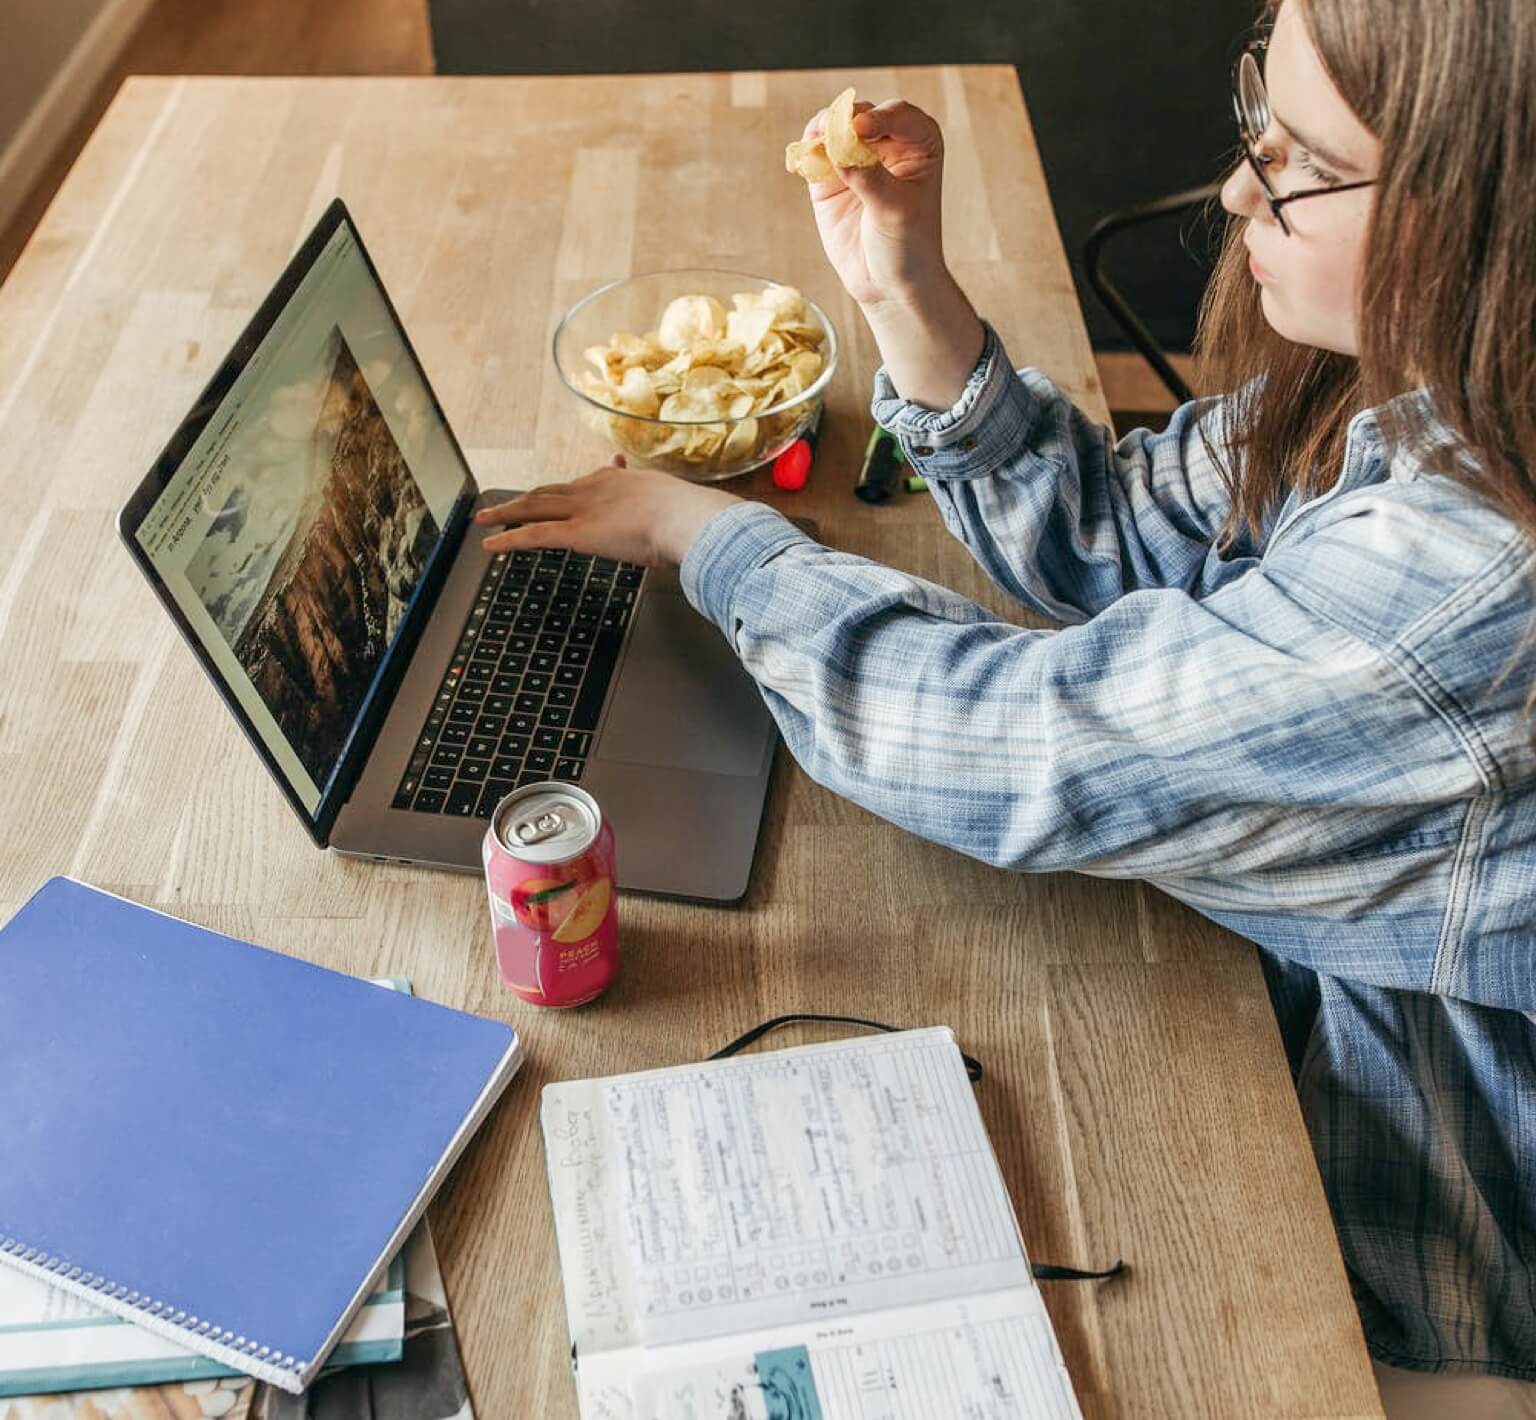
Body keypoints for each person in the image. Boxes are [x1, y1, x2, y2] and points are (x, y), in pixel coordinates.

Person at [477, 0, 1536, 1409]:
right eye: (1255, 118)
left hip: (1404, 1253)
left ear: (1479, 212)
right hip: (1267, 996)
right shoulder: (1433, 379)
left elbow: (1009, 746)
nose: (1238, 186)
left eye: (1296, 161)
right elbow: (1126, 539)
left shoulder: (1469, 578)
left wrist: (708, 539)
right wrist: (907, 293)